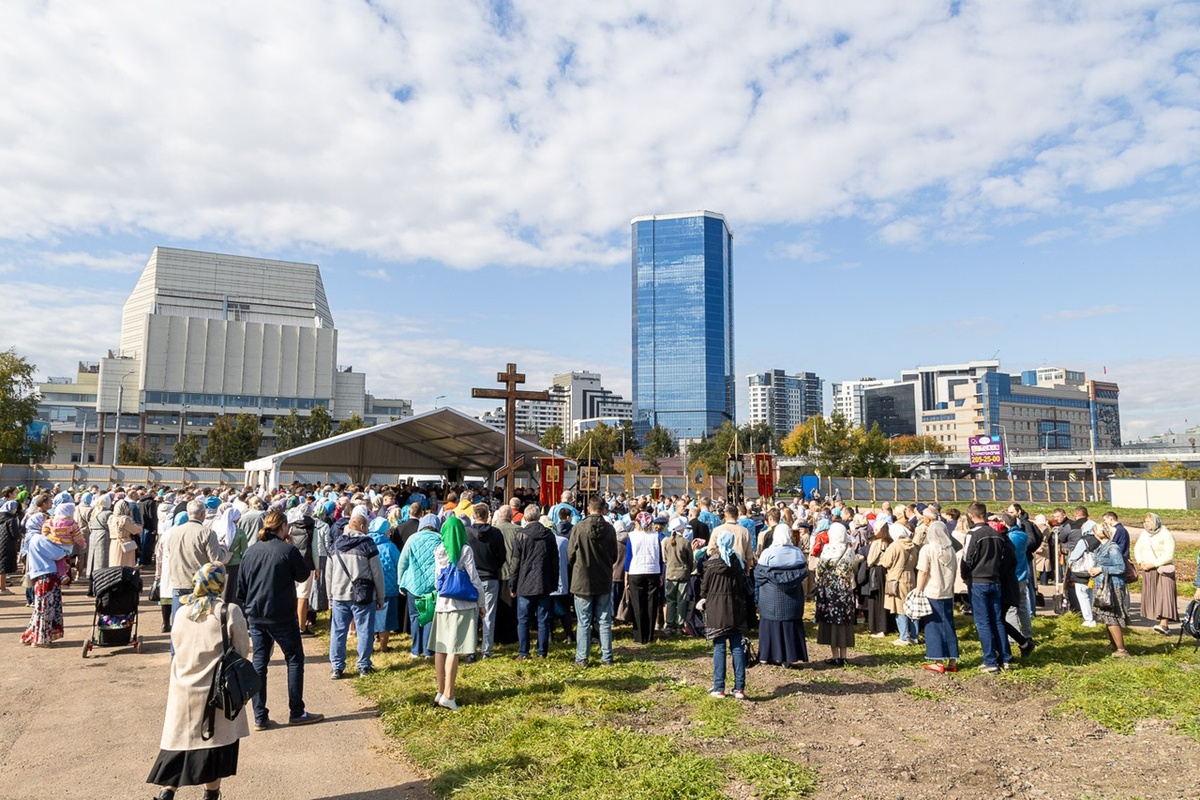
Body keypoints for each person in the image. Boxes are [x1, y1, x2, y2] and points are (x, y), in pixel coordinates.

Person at [147, 564, 248, 800]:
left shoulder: (182, 612)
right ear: (220, 584)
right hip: (215, 690)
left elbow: (177, 647)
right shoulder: (229, 611)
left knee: (180, 744)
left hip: (183, 687)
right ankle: (211, 794)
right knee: (213, 746)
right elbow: (242, 652)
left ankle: (167, 791)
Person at [235, 509, 323, 729]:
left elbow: (241, 588)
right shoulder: (287, 551)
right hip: (281, 614)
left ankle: (259, 716)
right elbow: (303, 575)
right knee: (294, 659)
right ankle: (296, 710)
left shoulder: (251, 551)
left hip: (256, 613)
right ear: (283, 527)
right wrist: (293, 548)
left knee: (259, 662)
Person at [430, 516, 485, 710]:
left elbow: (438, 578)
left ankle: (440, 690)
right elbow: (474, 577)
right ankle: (449, 694)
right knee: (454, 649)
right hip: (462, 605)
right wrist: (481, 602)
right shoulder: (465, 549)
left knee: (441, 648)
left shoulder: (439, 550)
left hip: (442, 604)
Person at [327, 511, 386, 678]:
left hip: (339, 593)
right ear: (361, 527)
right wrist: (380, 596)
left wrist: (330, 596)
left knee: (338, 631)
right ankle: (363, 665)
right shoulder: (368, 544)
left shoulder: (337, 543)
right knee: (365, 630)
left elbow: (329, 573)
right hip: (364, 594)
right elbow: (377, 572)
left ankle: (337, 667)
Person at [960, 503, 1016, 673]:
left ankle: (990, 660)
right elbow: (1003, 557)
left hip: (978, 581)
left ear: (971, 516)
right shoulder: (997, 534)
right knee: (997, 620)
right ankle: (1005, 658)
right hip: (995, 580)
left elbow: (966, 558)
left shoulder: (973, 534)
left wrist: (965, 575)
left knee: (982, 622)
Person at [568, 495, 618, 667]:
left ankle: (582, 658)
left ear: (589, 508)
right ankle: (607, 657)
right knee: (604, 620)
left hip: (582, 580)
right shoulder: (610, 529)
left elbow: (570, 555)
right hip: (603, 578)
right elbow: (614, 556)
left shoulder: (578, 528)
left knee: (583, 621)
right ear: (603, 509)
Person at [700, 530, 748, 699]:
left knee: (719, 648)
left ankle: (719, 687)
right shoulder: (737, 562)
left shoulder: (711, 564)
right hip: (735, 609)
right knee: (737, 648)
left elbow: (703, 588)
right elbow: (744, 587)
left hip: (716, 610)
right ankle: (739, 688)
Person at [754, 524, 808, 667]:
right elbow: (803, 572)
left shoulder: (767, 553)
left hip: (770, 598)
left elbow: (759, 574)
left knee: (769, 624)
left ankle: (766, 655)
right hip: (792, 599)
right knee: (790, 625)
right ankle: (789, 657)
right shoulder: (797, 553)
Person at [510, 504, 559, 659]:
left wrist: (512, 584)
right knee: (543, 620)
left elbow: (515, 563)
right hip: (543, 581)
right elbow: (554, 561)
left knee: (523, 620)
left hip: (524, 582)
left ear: (524, 518)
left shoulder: (520, 535)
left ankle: (524, 652)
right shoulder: (549, 535)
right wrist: (554, 582)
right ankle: (542, 652)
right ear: (539, 517)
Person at [814, 523, 860, 667]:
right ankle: (844, 656)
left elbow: (819, 571)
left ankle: (834, 656)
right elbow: (854, 567)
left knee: (831, 622)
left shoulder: (826, 550)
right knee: (844, 622)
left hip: (829, 591)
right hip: (845, 591)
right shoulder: (849, 550)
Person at [916, 521, 959, 673]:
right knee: (948, 624)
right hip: (948, 591)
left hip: (932, 591)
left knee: (933, 625)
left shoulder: (927, 549)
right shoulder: (951, 550)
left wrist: (918, 590)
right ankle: (953, 660)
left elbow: (923, 571)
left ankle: (938, 660)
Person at [398, 514, 442, 658]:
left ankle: (416, 650)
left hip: (413, 584)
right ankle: (428, 650)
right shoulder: (440, 540)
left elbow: (403, 562)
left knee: (415, 616)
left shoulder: (412, 539)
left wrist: (400, 582)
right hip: (433, 586)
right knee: (429, 617)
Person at [467, 502, 507, 659]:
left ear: (474, 516)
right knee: (489, 615)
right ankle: (487, 650)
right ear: (487, 515)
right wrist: (494, 567)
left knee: (472, 615)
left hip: (472, 578)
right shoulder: (496, 533)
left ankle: (471, 650)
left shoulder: (467, 532)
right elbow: (502, 556)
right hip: (490, 577)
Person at [20, 523, 71, 646]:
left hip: (44, 576)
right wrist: (66, 545)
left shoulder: (35, 539)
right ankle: (41, 639)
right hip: (46, 576)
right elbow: (57, 553)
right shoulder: (40, 539)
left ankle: (31, 636)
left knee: (42, 609)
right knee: (45, 609)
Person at [1088, 521, 1131, 657]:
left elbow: (1120, 568)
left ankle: (1121, 649)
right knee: (1107, 617)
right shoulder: (1102, 547)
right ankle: (1113, 644)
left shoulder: (1112, 548)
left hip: (1112, 586)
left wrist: (1100, 569)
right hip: (1103, 585)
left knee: (1112, 617)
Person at [1134, 513, 1178, 635]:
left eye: (1149, 521)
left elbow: (1169, 556)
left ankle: (1164, 624)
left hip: (1163, 570)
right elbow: (1138, 548)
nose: (1147, 524)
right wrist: (1141, 561)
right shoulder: (1144, 534)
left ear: (1156, 521)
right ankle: (1159, 621)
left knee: (1165, 595)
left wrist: (1153, 564)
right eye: (1145, 522)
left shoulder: (1166, 535)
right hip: (1148, 569)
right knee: (1154, 595)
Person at [624, 512, 664, 645]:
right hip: (653, 570)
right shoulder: (655, 536)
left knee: (637, 603)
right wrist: (660, 573)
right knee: (651, 603)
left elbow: (629, 557)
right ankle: (650, 634)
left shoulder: (632, 536)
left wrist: (626, 574)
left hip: (636, 571)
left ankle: (639, 635)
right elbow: (659, 556)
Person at [880, 523, 919, 645]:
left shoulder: (895, 546)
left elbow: (886, 562)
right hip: (911, 576)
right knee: (912, 607)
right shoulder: (913, 545)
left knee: (899, 607)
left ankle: (903, 637)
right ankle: (915, 636)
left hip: (896, 577)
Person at [367, 517, 401, 653]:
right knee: (385, 619)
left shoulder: (367, 544)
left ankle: (368, 645)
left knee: (370, 617)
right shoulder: (390, 547)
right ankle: (383, 646)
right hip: (389, 586)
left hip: (370, 586)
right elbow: (399, 564)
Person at [661, 516, 696, 636]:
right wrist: (689, 569)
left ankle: (669, 625)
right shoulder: (685, 542)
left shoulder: (665, 541)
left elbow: (664, 558)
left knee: (671, 600)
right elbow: (690, 560)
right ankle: (680, 626)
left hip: (670, 573)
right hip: (683, 573)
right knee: (681, 600)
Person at [108, 498, 143, 568]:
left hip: (114, 543)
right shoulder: (125, 519)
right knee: (125, 565)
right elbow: (137, 530)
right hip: (125, 543)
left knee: (114, 564)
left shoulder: (111, 518)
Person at [0, 498, 21, 593]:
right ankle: (2, 588)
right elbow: (15, 534)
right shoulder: (11, 519)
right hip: (7, 544)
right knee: (3, 567)